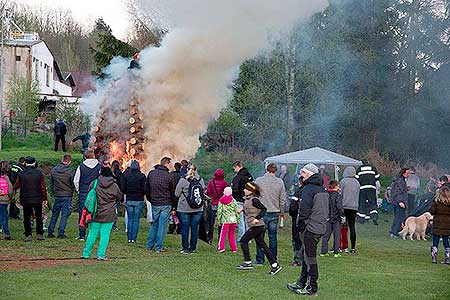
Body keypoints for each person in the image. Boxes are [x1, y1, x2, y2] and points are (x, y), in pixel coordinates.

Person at [287, 163, 329, 297]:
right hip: (320, 226)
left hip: (310, 228)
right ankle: (301, 282)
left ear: (310, 174)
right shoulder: (322, 189)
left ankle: (312, 288)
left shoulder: (307, 189)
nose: (301, 175)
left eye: (303, 172)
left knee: (310, 258)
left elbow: (304, 210)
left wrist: (301, 224)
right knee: (306, 256)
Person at [236, 182, 282, 275]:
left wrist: (257, 219)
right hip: (254, 226)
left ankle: (247, 262)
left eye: (246, 189)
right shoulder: (247, 200)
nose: (244, 190)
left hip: (257, 226)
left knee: (244, 241)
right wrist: (242, 210)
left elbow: (264, 209)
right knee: (262, 245)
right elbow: (250, 209)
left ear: (250, 191)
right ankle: (274, 265)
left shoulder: (255, 200)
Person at [81, 167, 123, 260]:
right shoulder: (114, 186)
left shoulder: (95, 183)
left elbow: (89, 194)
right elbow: (120, 197)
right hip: (109, 213)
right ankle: (101, 254)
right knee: (105, 234)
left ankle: (86, 253)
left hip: (96, 212)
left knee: (92, 233)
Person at [254, 163, 286, 265]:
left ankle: (260, 259)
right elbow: (282, 199)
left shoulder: (258, 181)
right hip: (274, 212)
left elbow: (254, 196)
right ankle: (273, 258)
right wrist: (282, 211)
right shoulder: (279, 182)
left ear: (266, 170)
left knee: (260, 237)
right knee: (273, 237)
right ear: (275, 171)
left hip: (261, 212)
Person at [13, 157, 48, 242]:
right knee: (39, 216)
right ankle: (39, 234)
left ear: (25, 163)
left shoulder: (21, 174)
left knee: (26, 217)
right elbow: (43, 187)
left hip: (25, 198)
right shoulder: (39, 173)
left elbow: (16, 185)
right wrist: (45, 198)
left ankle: (28, 234)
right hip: (37, 198)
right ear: (34, 163)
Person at [145, 157, 176, 253]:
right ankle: (158, 247)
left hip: (155, 203)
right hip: (166, 203)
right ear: (166, 164)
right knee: (162, 225)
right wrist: (173, 205)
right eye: (170, 164)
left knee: (154, 224)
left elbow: (147, 189)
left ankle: (149, 245)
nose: (171, 166)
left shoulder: (151, 173)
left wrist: (151, 199)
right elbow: (172, 192)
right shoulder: (169, 176)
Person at [175, 165, 206, 254]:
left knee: (185, 228)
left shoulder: (183, 180)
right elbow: (202, 192)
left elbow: (177, 194)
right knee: (194, 228)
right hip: (198, 208)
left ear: (187, 170)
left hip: (184, 208)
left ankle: (185, 248)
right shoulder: (200, 180)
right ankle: (193, 248)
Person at [73, 150, 102, 241]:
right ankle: (93, 234)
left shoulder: (81, 167)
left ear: (85, 157)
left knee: (83, 213)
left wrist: (78, 190)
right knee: (95, 213)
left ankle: (82, 235)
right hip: (95, 192)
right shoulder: (99, 167)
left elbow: (76, 180)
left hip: (83, 192)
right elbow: (100, 180)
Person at [48, 154, 75, 239]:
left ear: (61, 160)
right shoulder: (70, 171)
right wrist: (72, 191)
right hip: (67, 195)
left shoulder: (54, 170)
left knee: (54, 214)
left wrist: (53, 192)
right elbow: (73, 183)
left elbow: (51, 183)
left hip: (57, 195)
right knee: (64, 215)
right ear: (69, 161)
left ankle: (50, 231)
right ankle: (61, 232)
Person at [121, 160, 146, 243]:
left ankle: (129, 238)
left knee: (130, 219)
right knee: (136, 220)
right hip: (139, 200)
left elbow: (123, 188)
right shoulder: (142, 176)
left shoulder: (127, 176)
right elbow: (145, 189)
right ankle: (134, 238)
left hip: (129, 199)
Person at [320, 180, 344, 257]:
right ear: (335, 186)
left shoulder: (326, 194)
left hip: (328, 217)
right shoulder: (337, 195)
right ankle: (336, 252)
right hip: (336, 218)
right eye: (338, 185)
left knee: (326, 235)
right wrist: (342, 215)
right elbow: (339, 207)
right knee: (337, 236)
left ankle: (323, 252)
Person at [231, 161, 254, 242]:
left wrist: (233, 194)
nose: (234, 171)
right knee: (247, 219)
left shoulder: (238, 177)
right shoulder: (250, 176)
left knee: (240, 220)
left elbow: (235, 189)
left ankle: (241, 237)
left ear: (238, 166)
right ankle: (249, 237)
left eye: (234, 169)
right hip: (248, 200)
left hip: (239, 200)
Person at [340, 166, 360, 253]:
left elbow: (340, 194)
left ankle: (343, 246)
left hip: (344, 207)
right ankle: (353, 247)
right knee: (352, 227)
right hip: (354, 207)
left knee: (343, 227)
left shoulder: (343, 181)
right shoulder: (357, 183)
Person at [205, 168, 228, 243]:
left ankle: (210, 237)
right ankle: (220, 238)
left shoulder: (211, 183)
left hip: (213, 203)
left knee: (211, 221)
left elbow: (208, 192)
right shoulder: (225, 183)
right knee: (221, 222)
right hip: (222, 204)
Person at [429, 186, 450, 264]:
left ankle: (434, 257)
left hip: (437, 223)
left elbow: (432, 211)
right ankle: (447, 257)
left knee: (435, 240)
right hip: (447, 224)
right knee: (446, 240)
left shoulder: (436, 202)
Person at [355, 160, 380, 225]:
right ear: (368, 162)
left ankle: (361, 219)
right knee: (372, 203)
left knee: (362, 203)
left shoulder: (359, 169)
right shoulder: (373, 167)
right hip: (372, 188)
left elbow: (356, 178)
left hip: (362, 188)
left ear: (362, 163)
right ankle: (374, 217)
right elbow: (377, 177)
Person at [216, 187, 240, 252]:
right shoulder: (233, 200)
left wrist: (218, 220)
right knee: (231, 234)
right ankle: (234, 248)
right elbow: (236, 211)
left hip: (225, 220)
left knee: (223, 234)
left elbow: (219, 211)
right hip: (233, 220)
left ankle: (221, 247)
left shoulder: (221, 200)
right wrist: (238, 219)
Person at [389, 168, 410, 238]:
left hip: (395, 201)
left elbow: (399, 190)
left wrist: (406, 188)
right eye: (407, 173)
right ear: (403, 173)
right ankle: (395, 232)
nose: (409, 175)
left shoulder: (399, 180)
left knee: (397, 217)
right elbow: (398, 192)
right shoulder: (400, 181)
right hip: (399, 202)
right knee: (399, 217)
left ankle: (392, 231)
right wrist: (400, 201)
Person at [289, 176, 304, 266]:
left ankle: (298, 259)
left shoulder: (298, 192)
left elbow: (293, 206)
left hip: (297, 219)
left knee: (296, 239)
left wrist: (293, 214)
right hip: (307, 219)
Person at [0, 161, 14, 240]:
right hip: (4, 199)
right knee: (4, 216)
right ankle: (6, 233)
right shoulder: (5, 177)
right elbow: (10, 189)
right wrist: (10, 197)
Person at [111, 160, 123, 231]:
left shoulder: (110, 172)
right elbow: (121, 184)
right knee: (115, 210)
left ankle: (110, 224)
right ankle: (114, 225)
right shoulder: (119, 173)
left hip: (109, 194)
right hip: (116, 194)